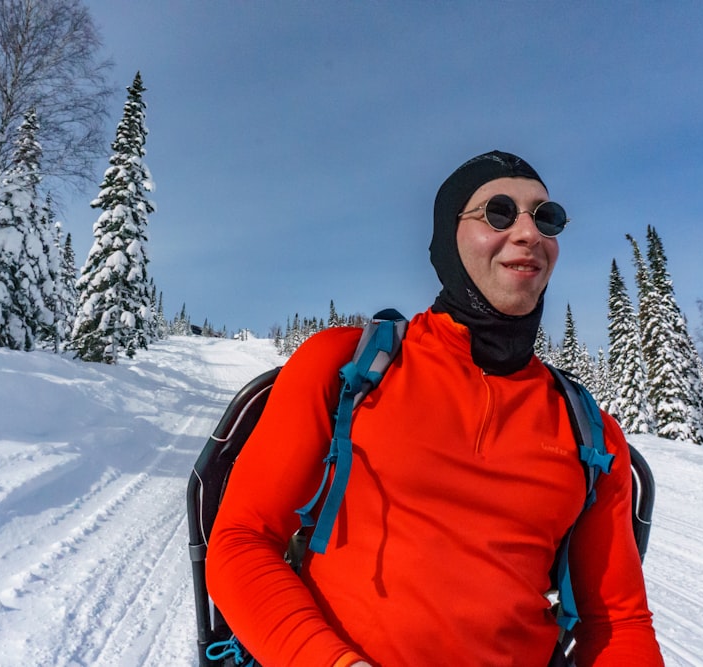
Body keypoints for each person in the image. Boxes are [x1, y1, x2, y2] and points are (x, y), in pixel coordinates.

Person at [206, 150, 664, 666]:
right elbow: (241, 542)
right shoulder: (343, 367)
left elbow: (617, 623)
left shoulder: (591, 434)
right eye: (498, 212)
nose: (529, 233)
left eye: (546, 216)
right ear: (449, 237)